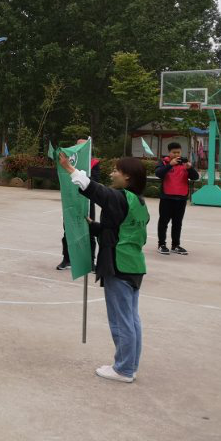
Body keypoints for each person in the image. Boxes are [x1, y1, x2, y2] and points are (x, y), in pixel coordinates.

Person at [57, 152, 149, 383]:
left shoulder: (120, 197)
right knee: (131, 319)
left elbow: (94, 189)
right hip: (134, 265)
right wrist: (95, 226)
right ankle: (130, 365)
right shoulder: (139, 202)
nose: (112, 173)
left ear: (127, 177)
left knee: (121, 320)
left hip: (119, 265)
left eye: (116, 170)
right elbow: (120, 230)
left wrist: (69, 168)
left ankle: (123, 369)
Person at [57, 138, 100, 271]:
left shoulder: (93, 163)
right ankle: (67, 259)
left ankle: (90, 261)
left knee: (90, 231)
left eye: (84, 147)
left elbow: (95, 181)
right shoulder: (69, 161)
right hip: (71, 201)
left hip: (87, 202)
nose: (80, 149)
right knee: (68, 230)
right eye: (78, 146)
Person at [155, 142, 199, 256]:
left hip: (181, 198)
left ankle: (175, 245)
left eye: (178, 152)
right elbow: (158, 174)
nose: (176, 154)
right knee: (163, 222)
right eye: (174, 152)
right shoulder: (163, 162)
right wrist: (170, 165)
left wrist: (190, 168)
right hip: (167, 197)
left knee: (177, 223)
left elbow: (195, 177)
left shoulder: (185, 163)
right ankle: (161, 244)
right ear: (169, 153)